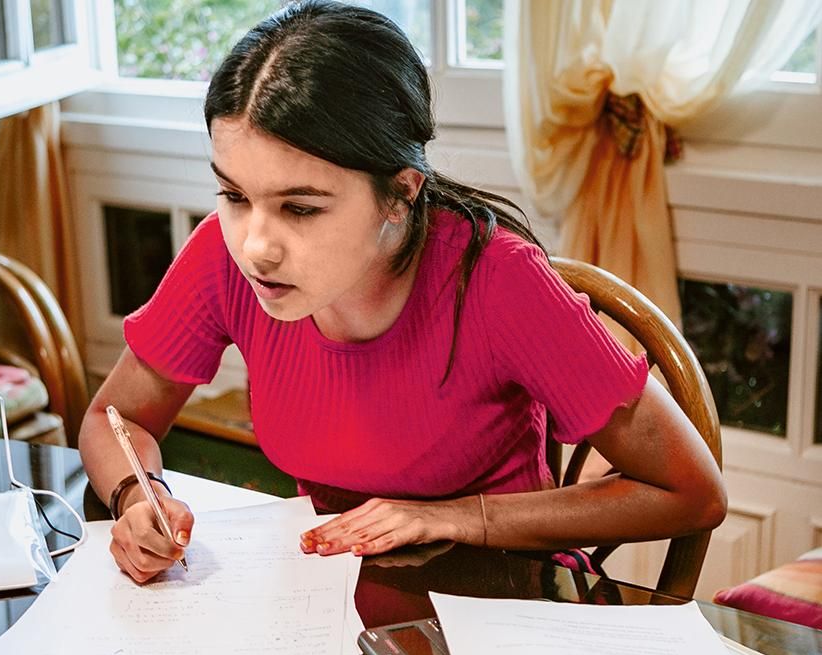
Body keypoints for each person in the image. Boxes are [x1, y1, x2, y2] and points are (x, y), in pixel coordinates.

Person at [79, 0, 727, 584]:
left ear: (401, 192)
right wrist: (139, 498)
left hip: (498, 592)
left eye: (301, 208)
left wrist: (453, 518)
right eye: (234, 196)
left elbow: (692, 493)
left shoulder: (499, 282)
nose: (255, 245)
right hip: (328, 590)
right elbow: (117, 419)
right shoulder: (224, 261)